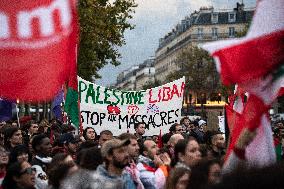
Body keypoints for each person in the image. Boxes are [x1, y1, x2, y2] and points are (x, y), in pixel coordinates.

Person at [62, 138, 134, 189]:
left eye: (126, 151)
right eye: (121, 151)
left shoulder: (127, 175)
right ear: (109, 156)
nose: (127, 155)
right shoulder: (94, 181)